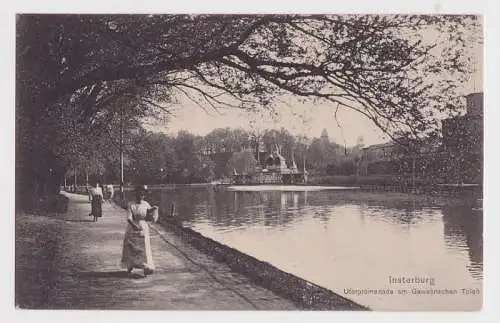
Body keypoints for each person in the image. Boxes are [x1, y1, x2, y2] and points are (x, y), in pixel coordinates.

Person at [121, 185, 159, 277]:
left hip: (143, 227)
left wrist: (153, 209)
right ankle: (129, 265)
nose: (141, 196)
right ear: (136, 194)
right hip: (132, 227)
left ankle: (145, 267)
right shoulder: (131, 204)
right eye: (139, 194)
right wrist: (135, 226)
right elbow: (129, 218)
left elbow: (148, 215)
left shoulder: (146, 204)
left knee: (144, 248)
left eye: (142, 194)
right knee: (131, 247)